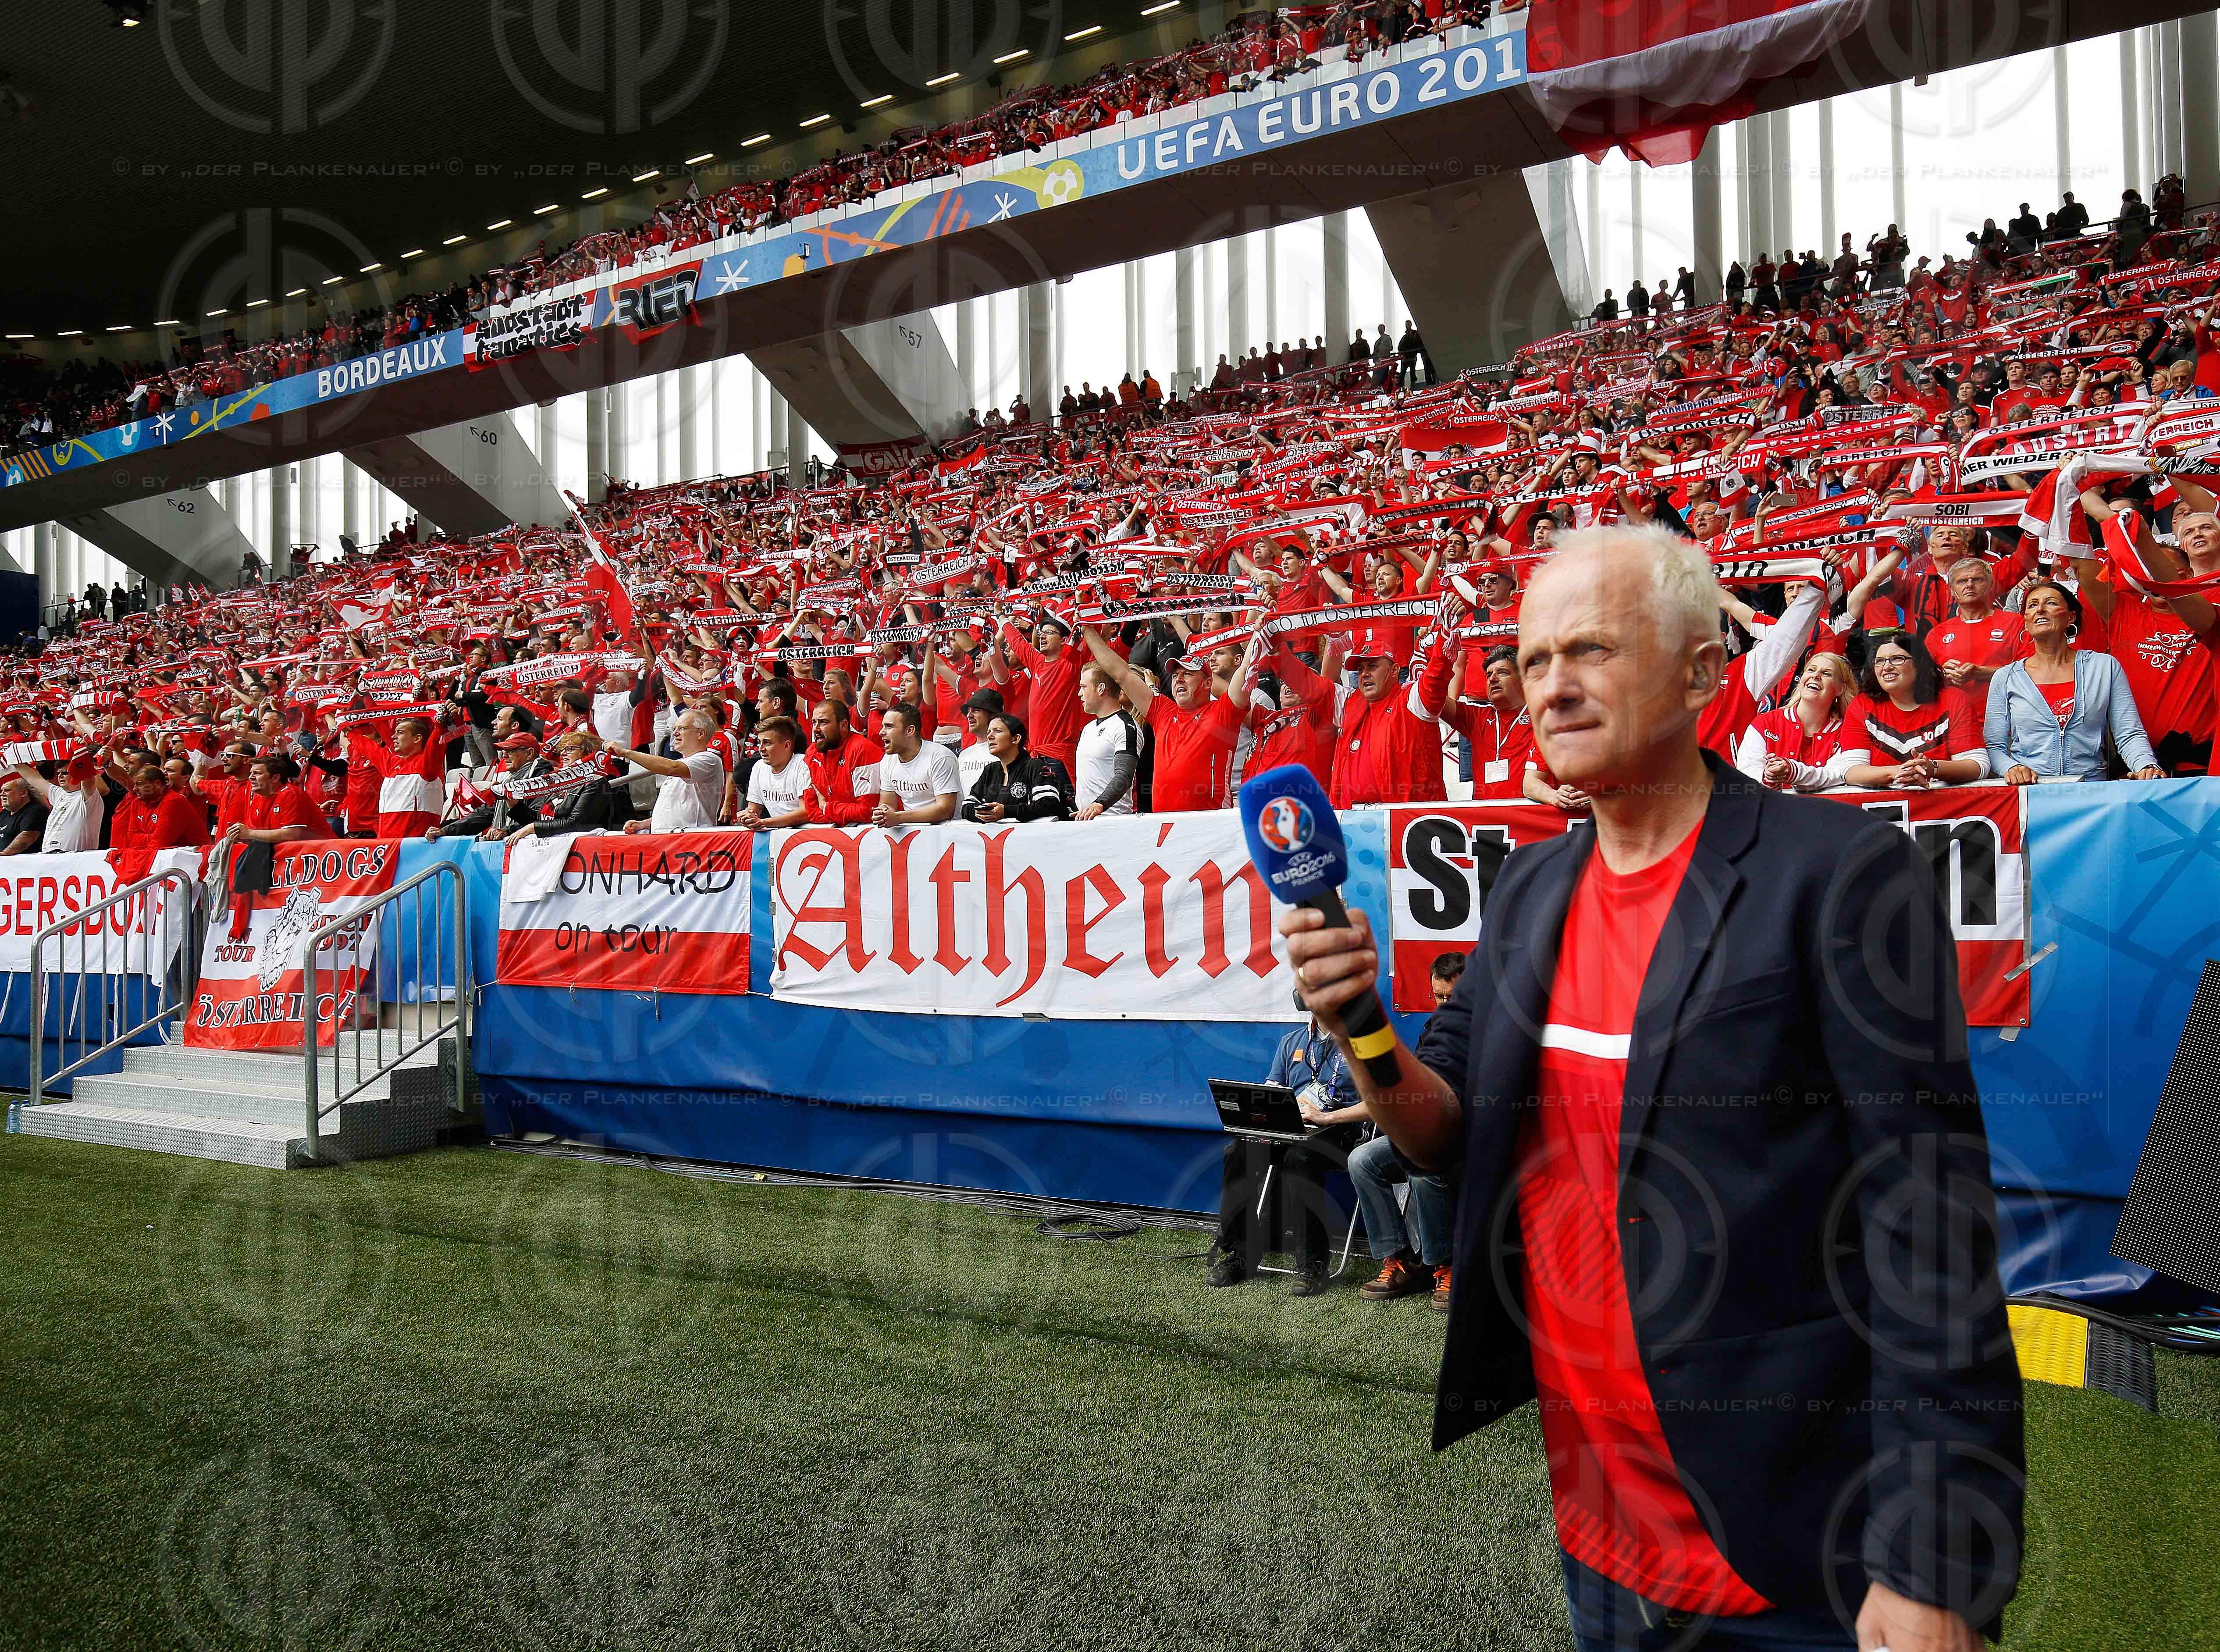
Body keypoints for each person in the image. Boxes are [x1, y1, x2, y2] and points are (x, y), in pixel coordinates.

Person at [1279, 523, 2022, 1652]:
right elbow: (1446, 1137)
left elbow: (1930, 1230)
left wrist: (1932, 1563)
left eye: (1589, 650)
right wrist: (1364, 1029)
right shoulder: (1529, 889)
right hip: (1597, 1545)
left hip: (1805, 1559)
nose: (1552, 687)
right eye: (1531, 663)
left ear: (1701, 670)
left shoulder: (1838, 873)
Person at [1206, 990, 1363, 1296]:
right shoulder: (1291, 1042)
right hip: (1289, 1128)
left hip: (1339, 1130)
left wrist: (1325, 1118)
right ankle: (1242, 1254)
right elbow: (1272, 1088)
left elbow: (1378, 1105)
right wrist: (1262, 1113)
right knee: (1239, 1150)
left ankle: (1312, 1264)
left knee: (1300, 1158)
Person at [1984, 579, 2163, 783]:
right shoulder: (2006, 677)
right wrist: (2012, 767)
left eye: (2051, 603)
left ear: (2071, 617)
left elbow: (2129, 733)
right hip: (2030, 794)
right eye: (2032, 605)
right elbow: (1994, 747)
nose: (2040, 609)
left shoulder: (2104, 667)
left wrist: (2146, 766)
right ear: (2026, 621)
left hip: (2091, 791)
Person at [1841, 631, 1988, 788]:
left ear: (1919, 664)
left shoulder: (1954, 700)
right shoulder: (1862, 705)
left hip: (1943, 806)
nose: (1887, 667)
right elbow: (1851, 770)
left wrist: (1932, 768)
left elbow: (1978, 765)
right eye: (1880, 661)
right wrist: (1898, 772)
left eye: (1897, 659)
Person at [1733, 652, 1860, 791]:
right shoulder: (1766, 722)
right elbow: (1748, 771)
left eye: (1827, 674)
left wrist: (1792, 771)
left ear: (1840, 689)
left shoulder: (1849, 731)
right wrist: (1769, 778)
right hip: (1770, 809)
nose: (1816, 676)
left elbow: (1834, 774)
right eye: (1811, 670)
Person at [598, 709, 726, 833]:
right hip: (669, 840)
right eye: (674, 729)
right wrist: (643, 824)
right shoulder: (679, 767)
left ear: (701, 734)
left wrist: (626, 752)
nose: (675, 734)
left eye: (681, 729)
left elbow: (672, 768)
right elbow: (674, 812)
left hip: (692, 839)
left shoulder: (709, 759)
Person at [960, 712, 1074, 823]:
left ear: (1016, 739)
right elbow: (966, 806)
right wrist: (985, 814)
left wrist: (1006, 812)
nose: (989, 736)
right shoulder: (990, 770)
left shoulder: (1034, 766)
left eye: (997, 731)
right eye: (989, 732)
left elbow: (1050, 804)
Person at [872, 702, 960, 828]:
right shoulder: (888, 760)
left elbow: (946, 809)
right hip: (911, 832)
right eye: (883, 727)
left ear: (910, 731)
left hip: (947, 831)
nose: (881, 732)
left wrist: (898, 818)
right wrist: (883, 814)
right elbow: (887, 804)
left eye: (889, 727)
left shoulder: (940, 757)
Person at [1071, 665, 1140, 819]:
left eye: (1084, 687)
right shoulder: (1088, 728)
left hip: (1113, 818)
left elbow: (1124, 775)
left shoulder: (1126, 726)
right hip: (1084, 817)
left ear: (1101, 689)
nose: (1079, 694)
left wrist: (1099, 804)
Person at [801, 698, 883, 825]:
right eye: (814, 723)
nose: (816, 730)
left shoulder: (862, 750)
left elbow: (868, 811)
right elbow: (813, 813)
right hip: (835, 832)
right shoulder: (812, 754)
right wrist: (843, 813)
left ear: (843, 725)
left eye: (823, 723)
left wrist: (827, 808)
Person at [17, 751, 103, 854]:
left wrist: (81, 754)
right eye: (58, 773)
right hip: (48, 857)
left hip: (76, 860)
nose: (60, 776)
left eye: (65, 773)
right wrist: (13, 759)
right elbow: (32, 778)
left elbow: (88, 780)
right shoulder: (58, 794)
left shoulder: (89, 797)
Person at [739, 714, 811, 828]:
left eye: (767, 743)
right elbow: (753, 810)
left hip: (805, 834)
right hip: (777, 834)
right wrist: (747, 818)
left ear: (787, 745)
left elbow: (806, 812)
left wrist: (764, 822)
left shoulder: (803, 765)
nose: (761, 749)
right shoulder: (759, 767)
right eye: (759, 742)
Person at [0, 774, 49, 855]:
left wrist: (5, 854)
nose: (2, 794)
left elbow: (28, 836)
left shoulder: (36, 811)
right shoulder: (4, 814)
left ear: (24, 793)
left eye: (7, 791)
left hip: (27, 864)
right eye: (1, 791)